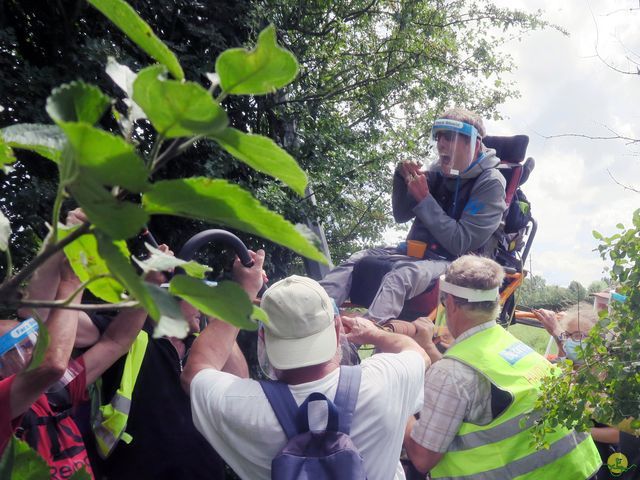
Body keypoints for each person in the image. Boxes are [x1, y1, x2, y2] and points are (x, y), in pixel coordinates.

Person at [182, 250, 430, 480]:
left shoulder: (243, 407)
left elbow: (196, 371)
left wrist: (243, 294)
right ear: (335, 328)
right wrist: (374, 334)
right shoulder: (384, 381)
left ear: (263, 338)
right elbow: (418, 353)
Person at [404, 255, 602, 479]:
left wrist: (398, 401)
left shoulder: (452, 374)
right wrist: (428, 347)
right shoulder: (511, 345)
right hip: (581, 471)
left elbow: (422, 458)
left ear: (449, 303)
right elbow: (469, 385)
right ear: (495, 303)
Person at [320, 107, 507, 324]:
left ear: (473, 143)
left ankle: (361, 335)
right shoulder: (440, 171)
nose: (441, 144)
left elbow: (460, 243)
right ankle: (314, 314)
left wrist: (424, 199)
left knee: (400, 277)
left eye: (449, 137)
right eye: (438, 137)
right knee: (356, 259)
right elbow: (401, 215)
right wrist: (402, 179)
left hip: (455, 261)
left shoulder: (490, 182)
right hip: (417, 252)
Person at [4, 251, 150, 479]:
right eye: (22, 347)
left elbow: (115, 342)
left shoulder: (54, 394)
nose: (34, 349)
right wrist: (72, 283)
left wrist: (148, 287)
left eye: (34, 341)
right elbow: (51, 365)